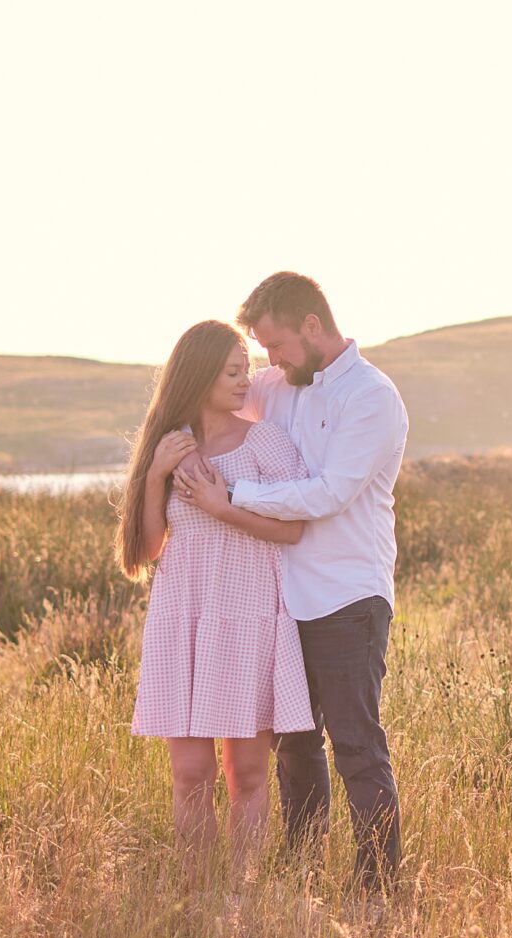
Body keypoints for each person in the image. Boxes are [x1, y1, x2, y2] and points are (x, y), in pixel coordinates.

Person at [175, 272, 408, 892]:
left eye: (274, 346)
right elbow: (215, 405)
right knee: (294, 745)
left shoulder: (371, 398)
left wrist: (232, 496)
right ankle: (302, 870)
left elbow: (329, 493)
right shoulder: (279, 387)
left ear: (312, 326)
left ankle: (377, 885)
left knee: (356, 742)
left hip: (348, 596)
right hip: (280, 600)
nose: (266, 363)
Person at [116, 319, 315, 873]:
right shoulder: (170, 447)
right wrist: (155, 473)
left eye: (246, 370)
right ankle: (199, 893)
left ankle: (242, 892)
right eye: (232, 371)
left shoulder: (264, 443)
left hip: (248, 617)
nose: (244, 382)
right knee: (190, 775)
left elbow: (294, 530)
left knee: (246, 774)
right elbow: (147, 549)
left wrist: (222, 503)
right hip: (183, 619)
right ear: (200, 375)